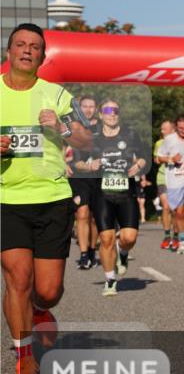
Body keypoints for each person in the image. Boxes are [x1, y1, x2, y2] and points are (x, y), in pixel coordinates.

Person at [1, 23, 92, 374]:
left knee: (48, 291)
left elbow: (86, 140)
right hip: (7, 198)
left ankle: (39, 311)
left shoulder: (57, 95)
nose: (27, 50)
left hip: (52, 199)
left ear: (41, 55)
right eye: (20, 44)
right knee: (16, 279)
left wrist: (62, 129)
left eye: (34, 46)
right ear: (9, 51)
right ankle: (25, 360)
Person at [86, 98, 148, 297]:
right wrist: (89, 165)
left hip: (125, 193)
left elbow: (144, 156)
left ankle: (123, 253)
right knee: (106, 238)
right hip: (102, 193)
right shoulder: (91, 138)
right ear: (101, 114)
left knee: (129, 238)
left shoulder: (130, 135)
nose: (112, 114)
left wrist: (138, 165)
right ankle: (110, 280)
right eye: (107, 110)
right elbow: (75, 162)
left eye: (115, 110)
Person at [157, 114, 184, 255]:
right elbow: (158, 158)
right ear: (176, 127)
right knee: (179, 213)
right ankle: (182, 241)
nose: (183, 131)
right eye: (180, 128)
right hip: (174, 180)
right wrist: (171, 159)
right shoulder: (169, 140)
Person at [67, 94, 99, 269]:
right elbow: (60, 146)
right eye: (84, 106)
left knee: (94, 218)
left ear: (96, 109)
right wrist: (62, 162)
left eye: (91, 106)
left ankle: (93, 250)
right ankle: (84, 254)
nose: (87, 109)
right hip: (79, 176)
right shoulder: (72, 127)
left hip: (98, 177)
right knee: (82, 213)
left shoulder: (102, 127)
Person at [153, 119, 176, 249]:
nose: (162, 131)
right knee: (166, 207)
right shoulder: (159, 143)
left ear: (172, 129)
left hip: (177, 179)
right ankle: (167, 236)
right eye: (161, 129)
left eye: (164, 128)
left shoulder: (181, 142)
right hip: (163, 178)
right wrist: (167, 158)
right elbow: (156, 160)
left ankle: (177, 236)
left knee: (176, 209)